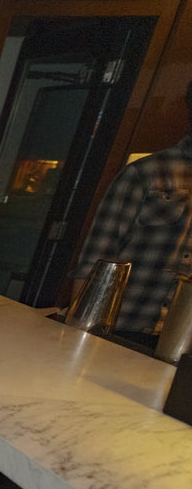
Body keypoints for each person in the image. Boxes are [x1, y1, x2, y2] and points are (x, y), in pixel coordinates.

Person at [70, 78, 192, 344]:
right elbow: (95, 261)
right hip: (122, 330)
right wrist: (77, 336)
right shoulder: (148, 172)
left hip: (182, 342)